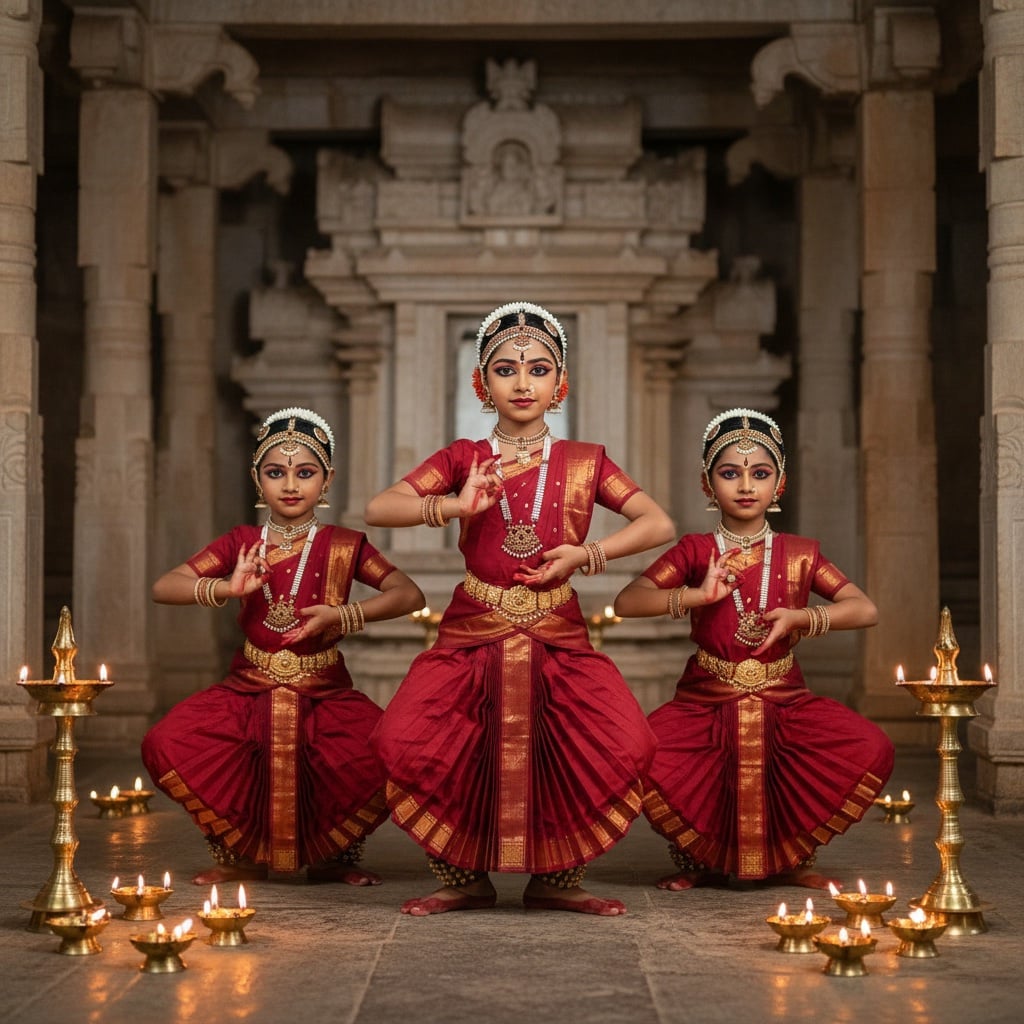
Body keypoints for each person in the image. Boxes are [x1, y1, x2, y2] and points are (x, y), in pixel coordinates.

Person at [365, 300, 674, 916]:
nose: (523, 382)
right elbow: (380, 508)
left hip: (556, 629)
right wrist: (453, 507)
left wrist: (586, 554)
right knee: (412, 740)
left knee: (615, 743)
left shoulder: (585, 463)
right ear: (482, 384)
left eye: (538, 369)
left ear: (560, 385)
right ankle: (462, 875)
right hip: (473, 628)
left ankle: (558, 879)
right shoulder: (462, 459)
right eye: (506, 369)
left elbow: (657, 521)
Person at [613, 408, 894, 891]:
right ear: (708, 484)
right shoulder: (694, 551)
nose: (746, 485)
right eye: (730, 473)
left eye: (760, 473)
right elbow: (627, 601)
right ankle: (698, 858)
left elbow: (863, 608)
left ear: (778, 484)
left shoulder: (801, 553)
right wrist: (697, 596)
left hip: (784, 698)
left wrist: (803, 617)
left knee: (870, 747)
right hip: (706, 698)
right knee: (637, 754)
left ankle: (794, 857)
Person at [142, 407, 424, 886]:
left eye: (305, 472)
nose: (290, 484)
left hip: (323, 691)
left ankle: (336, 855)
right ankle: (238, 853)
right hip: (249, 688)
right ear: (258, 479)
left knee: (390, 754)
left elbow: (408, 594)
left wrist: (344, 615)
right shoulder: (242, 543)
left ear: (326, 480)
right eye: (276, 472)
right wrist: (225, 590)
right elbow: (165, 586)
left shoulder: (344, 544)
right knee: (167, 742)